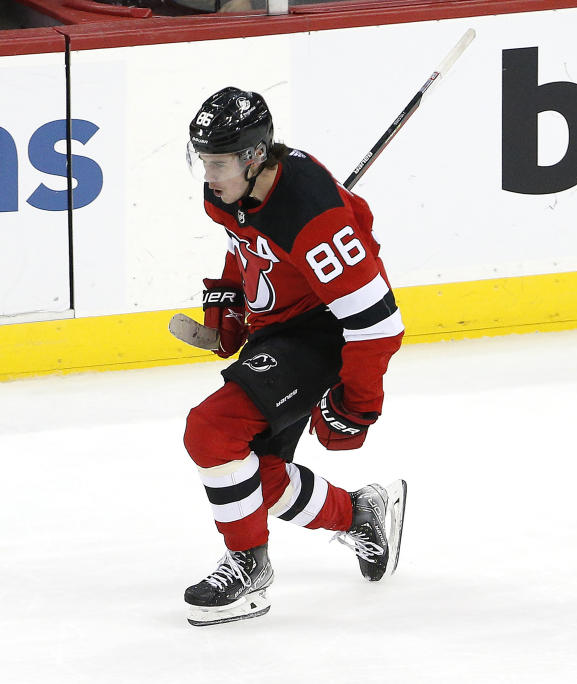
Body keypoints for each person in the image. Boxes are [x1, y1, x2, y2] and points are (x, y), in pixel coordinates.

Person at [182, 86, 407, 626]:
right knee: (257, 473)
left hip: (321, 332)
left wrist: (356, 407)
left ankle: (249, 568)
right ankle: (359, 515)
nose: (208, 177)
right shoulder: (230, 193)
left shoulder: (313, 217)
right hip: (278, 329)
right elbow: (247, 247)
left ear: (254, 156)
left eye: (217, 163)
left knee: (211, 431)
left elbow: (377, 326)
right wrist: (231, 312)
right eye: (202, 162)